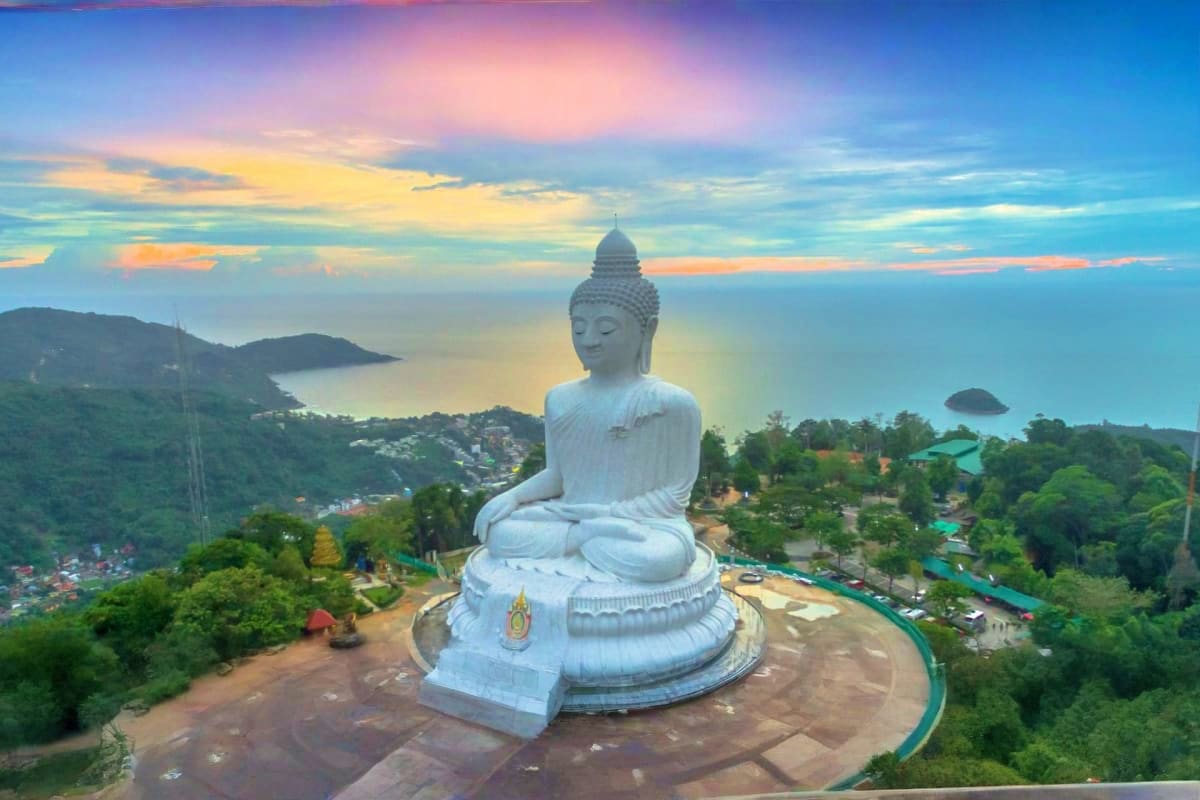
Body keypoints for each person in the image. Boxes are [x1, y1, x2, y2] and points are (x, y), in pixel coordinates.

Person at [472, 229, 701, 584]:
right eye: (578, 329)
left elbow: (675, 494)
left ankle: (581, 541)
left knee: (658, 559)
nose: (589, 340)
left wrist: (611, 514)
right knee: (500, 532)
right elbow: (558, 476)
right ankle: (580, 541)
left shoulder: (672, 404)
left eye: (606, 329)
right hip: (574, 519)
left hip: (641, 526)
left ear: (648, 330)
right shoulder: (560, 397)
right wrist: (513, 497)